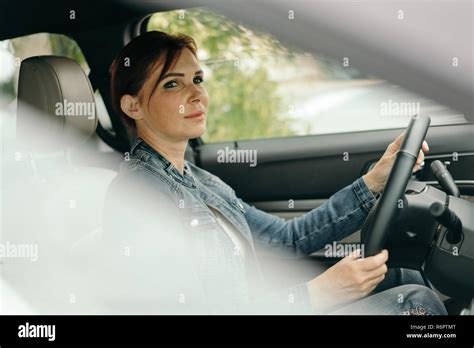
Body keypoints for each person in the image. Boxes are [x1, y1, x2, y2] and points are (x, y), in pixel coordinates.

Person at [101, 30, 447, 315]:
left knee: (402, 273)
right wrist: (317, 294)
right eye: (173, 85)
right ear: (132, 105)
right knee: (415, 303)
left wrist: (373, 182)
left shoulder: (198, 179)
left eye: (197, 79)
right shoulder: (137, 194)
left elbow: (287, 240)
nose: (197, 95)